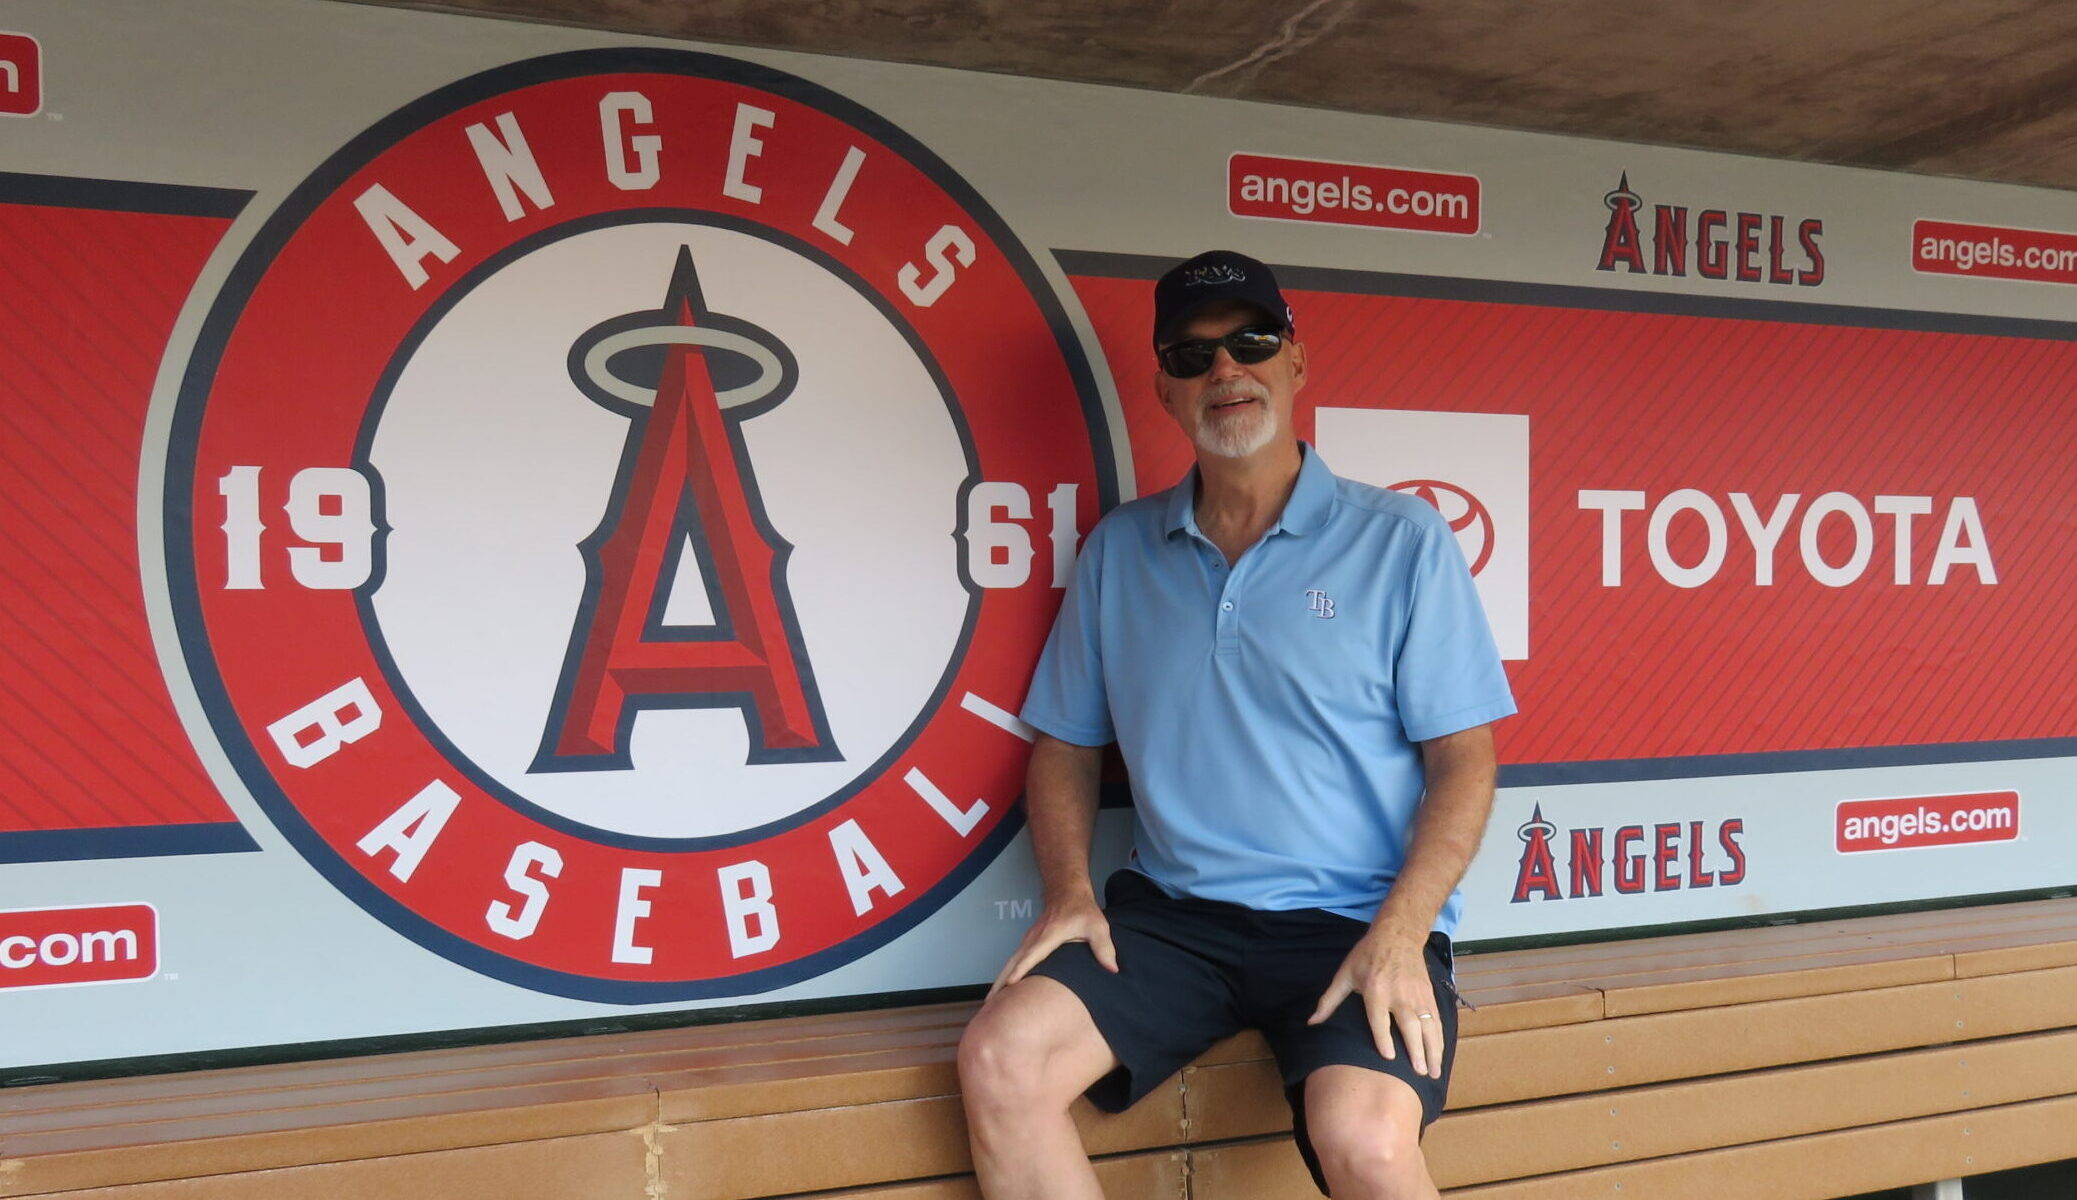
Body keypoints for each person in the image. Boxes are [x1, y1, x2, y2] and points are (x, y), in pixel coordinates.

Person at [957, 250, 1517, 1199]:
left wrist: (1401, 933)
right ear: (1165, 391)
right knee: (1000, 1063)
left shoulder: (1400, 538)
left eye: (1249, 342)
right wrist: (1066, 893)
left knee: (1368, 1143)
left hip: (1353, 921)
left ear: (1294, 361)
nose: (1224, 371)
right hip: (1175, 921)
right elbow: (1062, 747)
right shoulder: (1119, 551)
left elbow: (1463, 762)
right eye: (1191, 355)